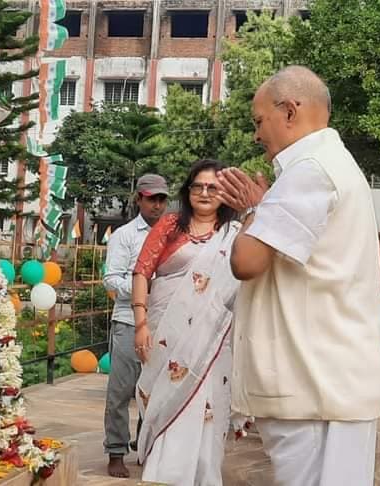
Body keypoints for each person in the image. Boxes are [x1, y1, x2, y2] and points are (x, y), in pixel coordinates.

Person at [215, 65, 380, 485]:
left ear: (290, 111)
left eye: (259, 121)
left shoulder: (310, 169)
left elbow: (247, 262)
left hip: (315, 387)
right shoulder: (331, 164)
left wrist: (251, 212)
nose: (257, 135)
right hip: (326, 384)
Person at [130, 160, 241, 486]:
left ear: (224, 193)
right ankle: (165, 473)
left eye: (213, 187)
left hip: (212, 338)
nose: (205, 193)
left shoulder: (233, 235)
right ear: (188, 190)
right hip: (165, 331)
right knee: (164, 398)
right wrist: (140, 324)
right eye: (198, 186)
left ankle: (202, 476)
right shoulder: (169, 225)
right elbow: (141, 272)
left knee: (205, 402)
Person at [102, 173, 169, 478]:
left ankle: (145, 446)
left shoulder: (174, 233)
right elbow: (112, 279)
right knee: (120, 391)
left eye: (161, 199)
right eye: (151, 198)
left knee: (153, 391)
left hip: (163, 323)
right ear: (139, 199)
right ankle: (116, 451)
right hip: (128, 321)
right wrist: (144, 287)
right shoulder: (125, 235)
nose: (157, 204)